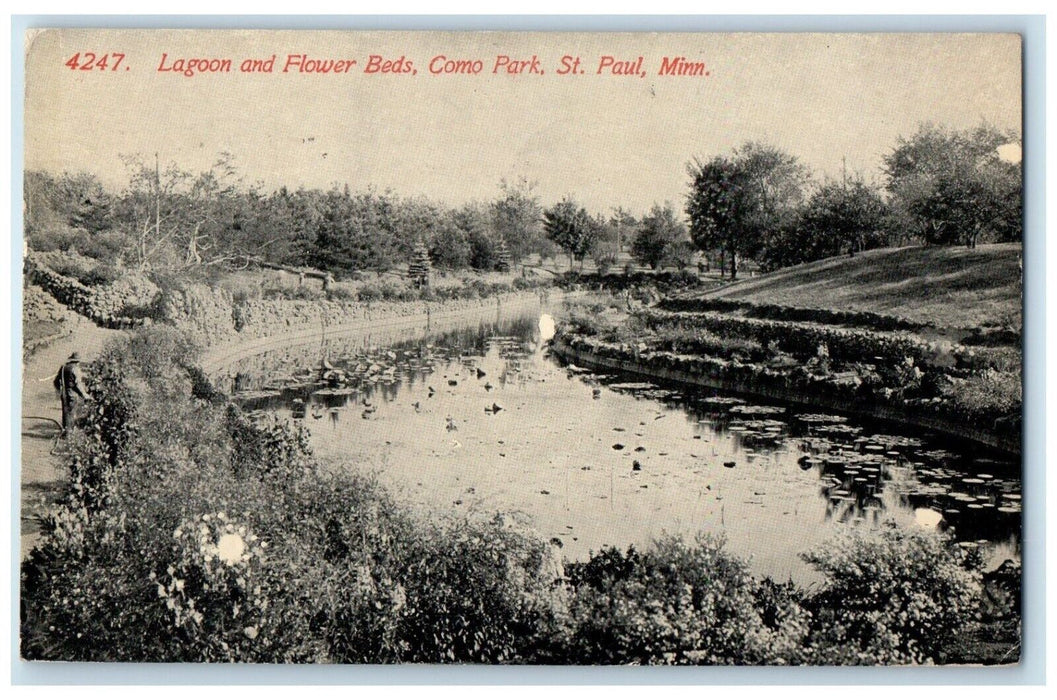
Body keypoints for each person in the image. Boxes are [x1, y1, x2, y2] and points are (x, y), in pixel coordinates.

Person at [53, 352, 91, 434]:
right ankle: (69, 433)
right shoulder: (75, 369)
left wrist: (60, 390)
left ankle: (65, 432)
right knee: (71, 413)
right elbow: (78, 384)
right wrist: (84, 395)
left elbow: (56, 381)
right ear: (77, 361)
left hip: (64, 394)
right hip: (72, 394)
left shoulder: (63, 367)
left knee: (65, 413)